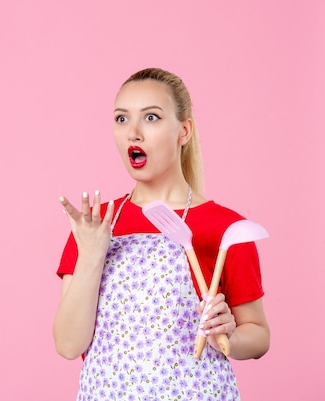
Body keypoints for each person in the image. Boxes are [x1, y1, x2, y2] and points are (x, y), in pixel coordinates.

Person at [53, 68, 270, 400]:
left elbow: (258, 336)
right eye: (121, 119)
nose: (133, 133)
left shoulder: (225, 228)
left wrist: (227, 336)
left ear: (183, 131)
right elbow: (69, 345)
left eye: (151, 117)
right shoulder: (95, 225)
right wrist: (93, 254)